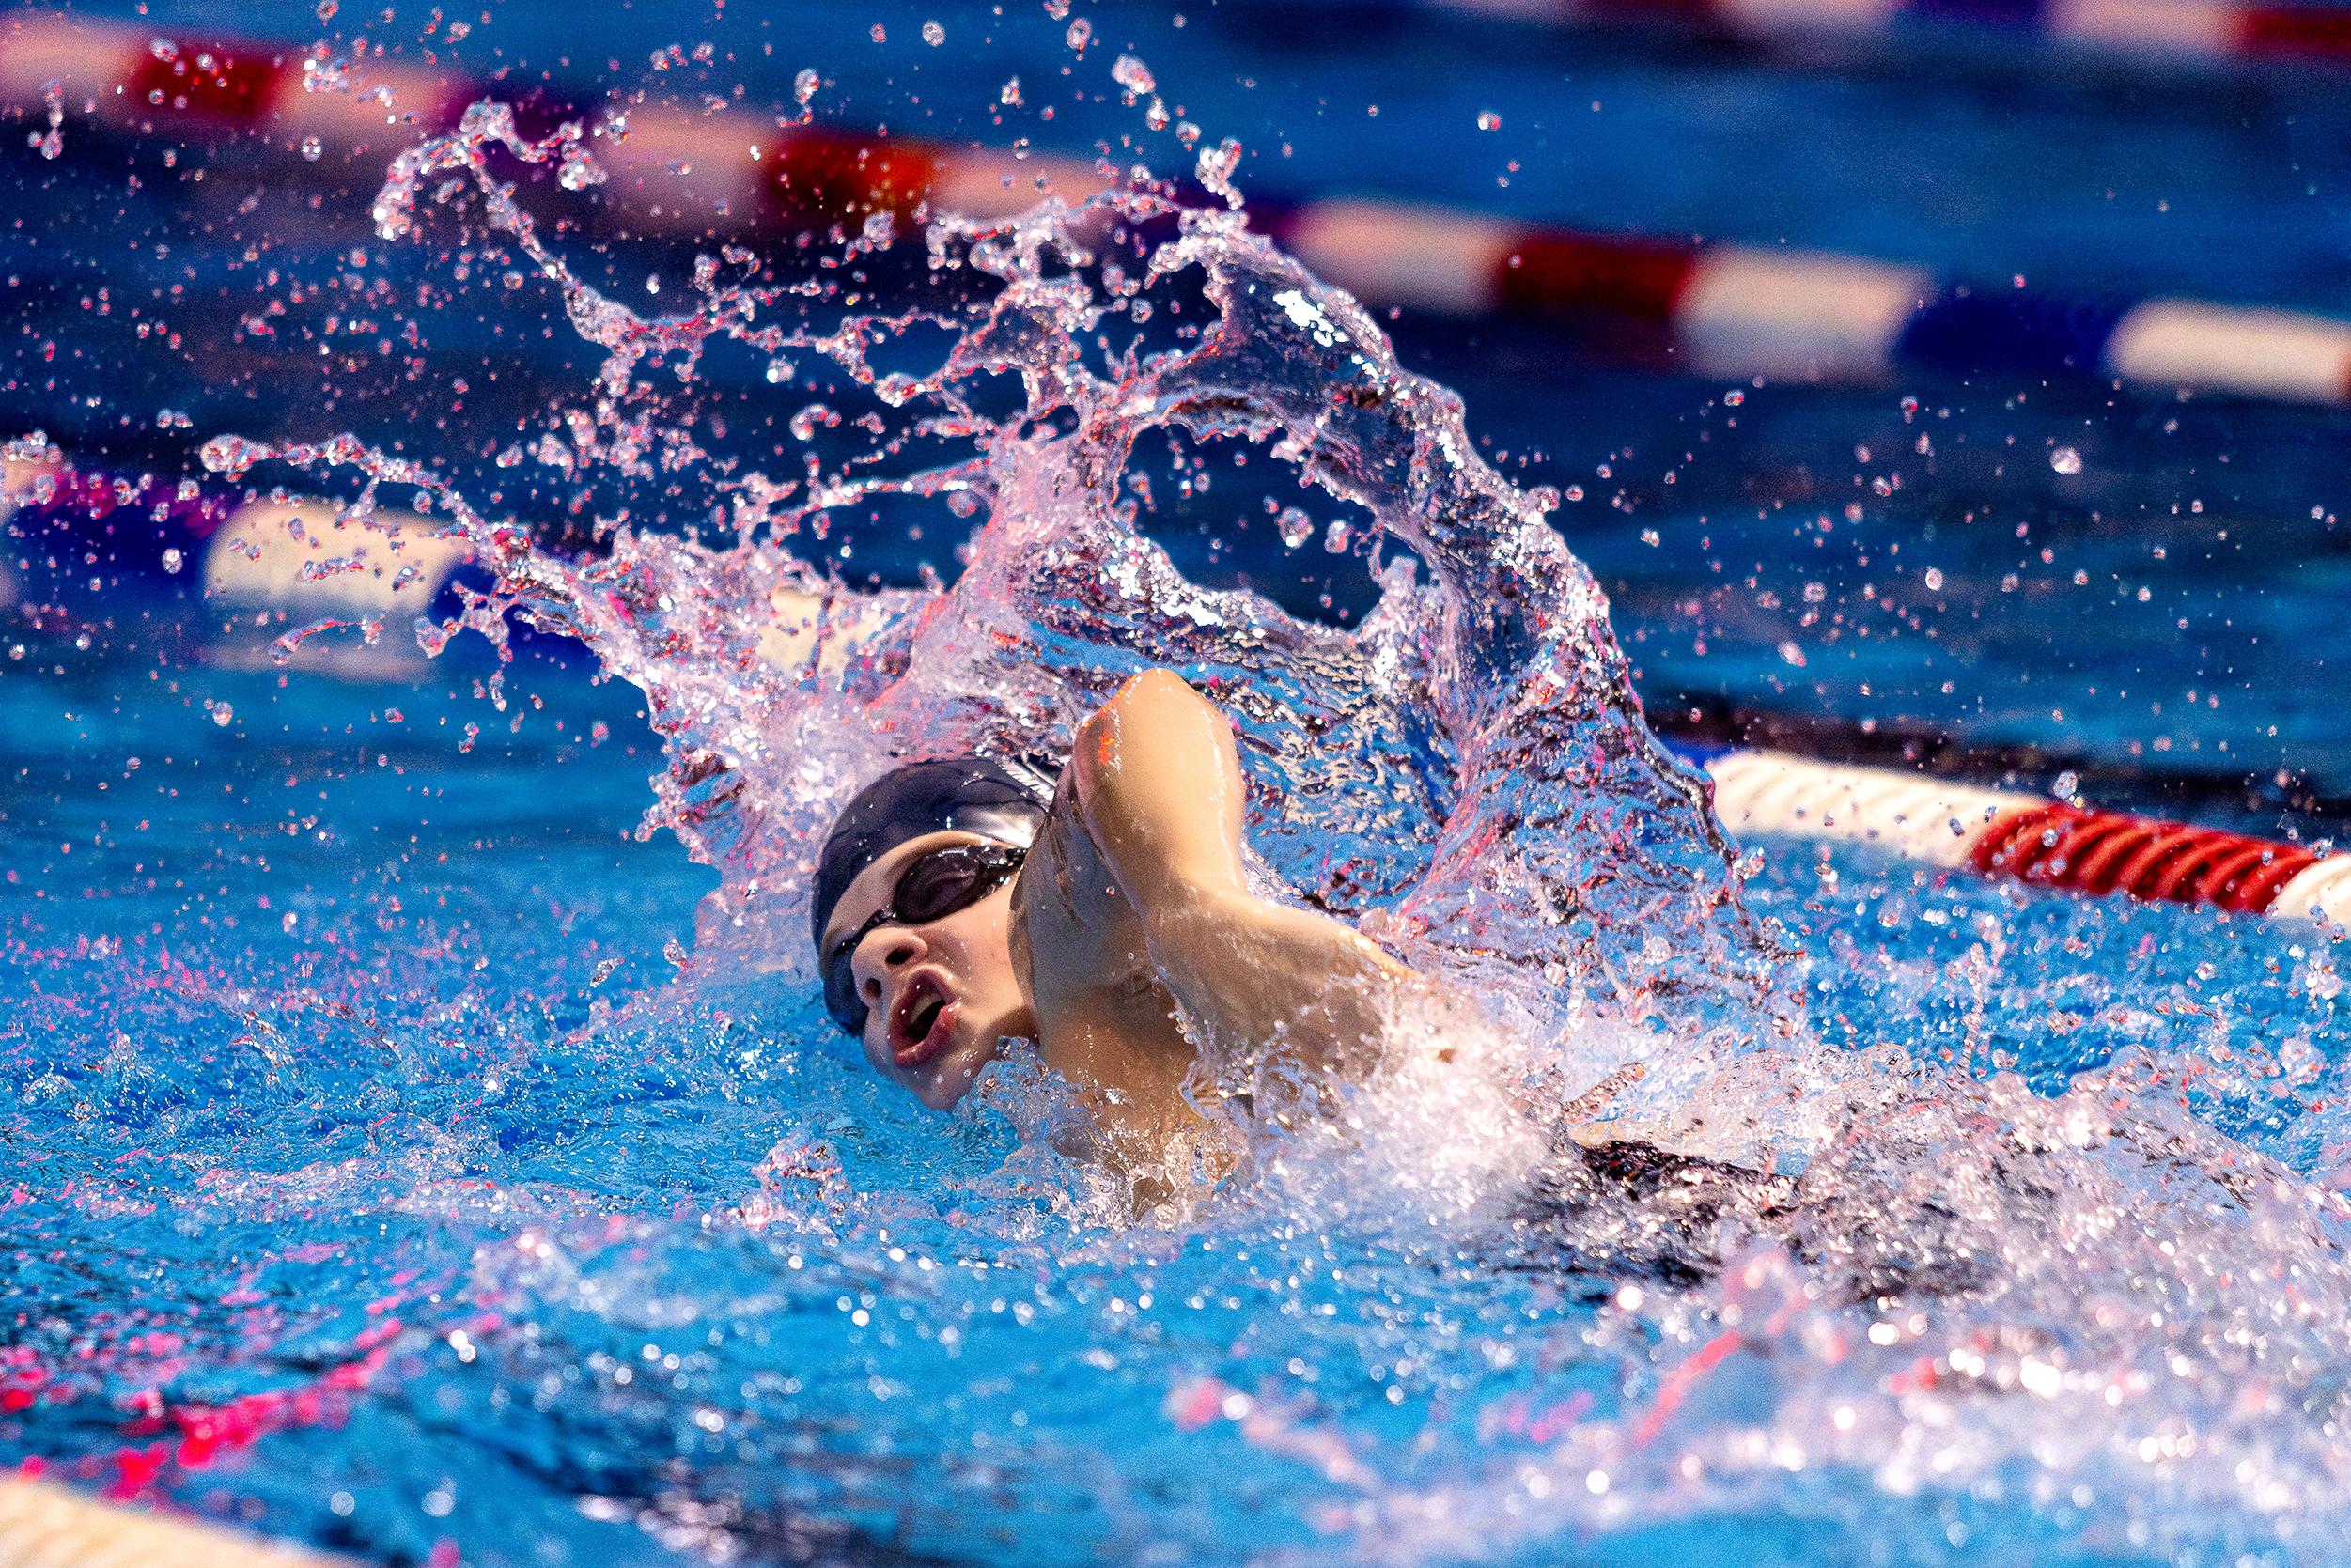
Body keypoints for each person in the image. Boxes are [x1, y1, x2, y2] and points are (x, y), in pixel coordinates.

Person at [810, 669, 1453, 1179]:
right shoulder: (996, 1182)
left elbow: (1141, 713)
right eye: (844, 980)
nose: (873, 957)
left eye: (937, 884)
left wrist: (1192, 910)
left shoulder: (1085, 960)